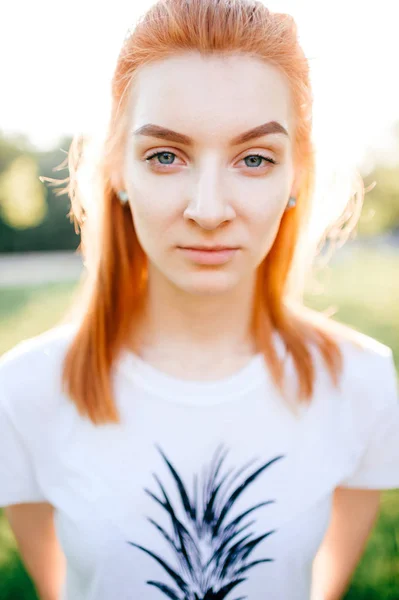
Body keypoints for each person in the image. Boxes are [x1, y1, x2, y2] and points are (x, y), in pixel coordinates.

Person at [1, 1, 398, 599]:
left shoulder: (361, 381)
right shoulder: (28, 388)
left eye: (255, 159)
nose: (209, 210)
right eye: (166, 155)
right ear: (117, 170)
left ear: (296, 175)